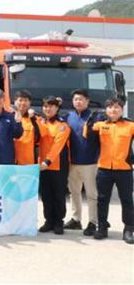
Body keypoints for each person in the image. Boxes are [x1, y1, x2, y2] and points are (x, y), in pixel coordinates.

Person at [84, 97, 134, 244]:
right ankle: (102, 227)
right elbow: (87, 135)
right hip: (104, 169)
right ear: (106, 110)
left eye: (117, 107)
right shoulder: (100, 125)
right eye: (110, 107)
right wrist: (90, 120)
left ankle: (129, 229)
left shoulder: (130, 125)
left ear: (122, 109)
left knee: (127, 200)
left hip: (124, 169)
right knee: (102, 199)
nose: (113, 110)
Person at [64, 89, 101, 235]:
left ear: (87, 101)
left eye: (81, 99)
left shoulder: (95, 117)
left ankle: (93, 222)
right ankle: (76, 219)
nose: (78, 102)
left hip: (91, 162)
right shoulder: (69, 117)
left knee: (92, 194)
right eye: (75, 99)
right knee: (74, 192)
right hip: (72, 162)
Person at [37, 96, 70, 235]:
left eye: (51, 106)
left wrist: (47, 161)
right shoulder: (40, 122)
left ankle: (58, 222)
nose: (48, 109)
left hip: (57, 165)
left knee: (58, 195)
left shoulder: (62, 125)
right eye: (45, 106)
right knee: (46, 195)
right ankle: (48, 221)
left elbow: (58, 146)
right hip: (42, 165)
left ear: (57, 108)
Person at [13, 90, 42, 165]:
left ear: (29, 103)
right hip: (12, 161)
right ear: (15, 102)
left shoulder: (35, 118)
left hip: (29, 161)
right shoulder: (9, 117)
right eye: (20, 100)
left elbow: (39, 137)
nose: (23, 103)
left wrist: (33, 119)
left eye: (25, 100)